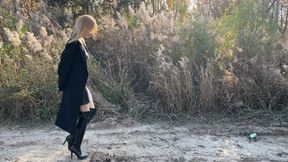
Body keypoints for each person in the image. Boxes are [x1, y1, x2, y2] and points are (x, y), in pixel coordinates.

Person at [55, 15, 98, 160]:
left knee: (90, 112)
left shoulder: (81, 42)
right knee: (86, 113)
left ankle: (72, 139)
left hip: (80, 85)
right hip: (75, 86)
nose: (91, 32)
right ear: (84, 27)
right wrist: (66, 86)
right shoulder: (73, 44)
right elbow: (62, 68)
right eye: (90, 28)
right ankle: (75, 146)